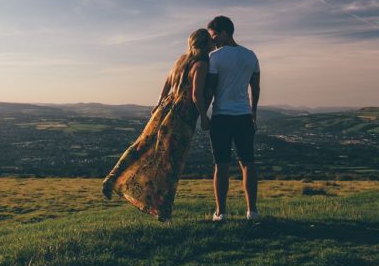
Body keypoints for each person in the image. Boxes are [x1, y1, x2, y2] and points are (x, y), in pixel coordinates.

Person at [101, 28, 212, 221]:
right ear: (205, 44)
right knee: (170, 163)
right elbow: (196, 95)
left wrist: (159, 102)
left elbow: (167, 83)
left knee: (142, 146)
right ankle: (162, 210)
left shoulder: (180, 60)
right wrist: (204, 116)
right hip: (182, 116)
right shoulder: (201, 65)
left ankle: (113, 177)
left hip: (164, 109)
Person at [204, 15, 260, 221]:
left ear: (225, 32)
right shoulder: (251, 55)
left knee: (221, 165)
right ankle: (252, 211)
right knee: (248, 163)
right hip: (244, 115)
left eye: (214, 35)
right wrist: (253, 111)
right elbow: (255, 87)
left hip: (221, 116)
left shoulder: (215, 57)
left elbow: (210, 88)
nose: (213, 40)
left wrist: (202, 112)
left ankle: (221, 212)